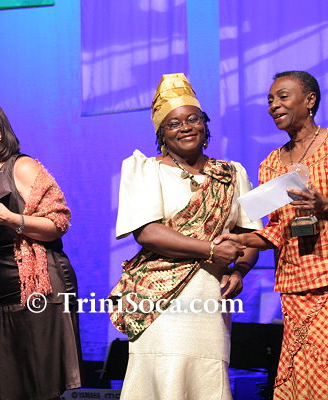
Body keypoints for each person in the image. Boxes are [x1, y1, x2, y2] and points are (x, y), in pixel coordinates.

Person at [215, 70, 328, 399]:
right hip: (296, 282)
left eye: (282, 96)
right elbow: (277, 231)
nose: (273, 105)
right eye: (270, 100)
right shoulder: (271, 164)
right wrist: (240, 240)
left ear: (310, 100)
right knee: (305, 374)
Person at [109, 73, 262, 400]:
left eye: (193, 119)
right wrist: (211, 250)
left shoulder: (232, 173)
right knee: (165, 375)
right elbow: (148, 233)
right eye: (174, 123)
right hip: (159, 300)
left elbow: (249, 235)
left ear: (205, 124)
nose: (186, 127)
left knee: (206, 377)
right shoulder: (145, 169)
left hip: (210, 295)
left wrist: (239, 271)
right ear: (161, 134)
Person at [0, 100, 81, 400]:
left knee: (38, 385)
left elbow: (58, 221)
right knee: (1, 389)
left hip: (33, 289)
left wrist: (11, 219)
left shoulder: (22, 166)